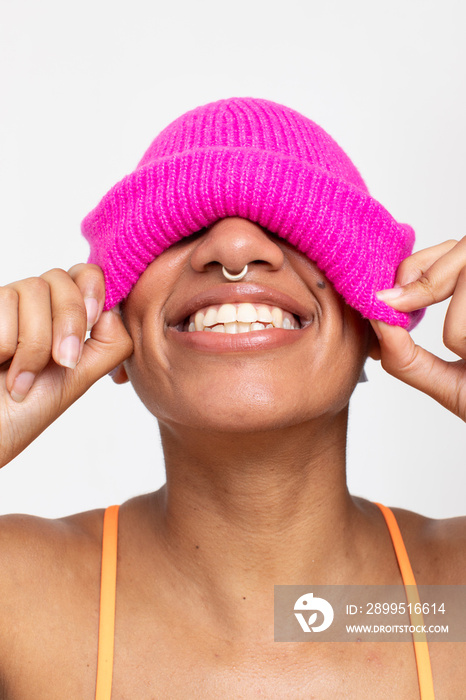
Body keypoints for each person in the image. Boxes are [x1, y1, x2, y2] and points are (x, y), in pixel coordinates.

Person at [0, 97, 464, 700]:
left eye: (288, 222)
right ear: (113, 324)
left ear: (376, 321)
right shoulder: (16, 599)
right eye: (184, 225)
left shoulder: (451, 601)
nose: (237, 250)